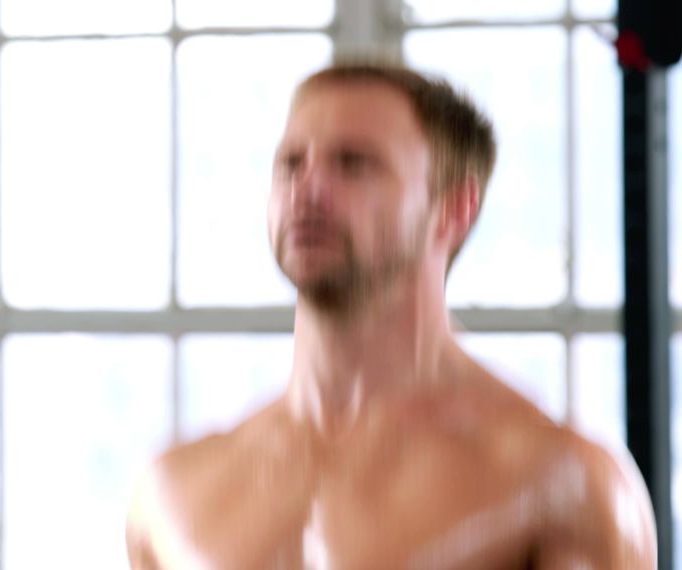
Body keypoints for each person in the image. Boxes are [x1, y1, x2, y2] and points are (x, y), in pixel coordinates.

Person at [125, 62, 657, 569]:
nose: (306, 189)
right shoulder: (172, 492)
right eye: (291, 163)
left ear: (453, 210)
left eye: (353, 164)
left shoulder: (560, 482)